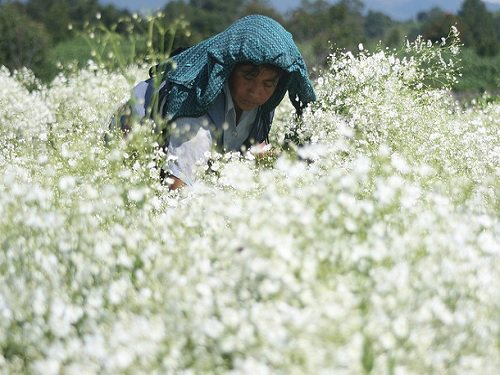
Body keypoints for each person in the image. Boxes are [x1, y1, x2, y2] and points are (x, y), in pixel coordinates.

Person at [113, 15, 316, 189]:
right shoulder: (194, 117)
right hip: (128, 132)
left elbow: (250, 145)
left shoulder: (262, 103)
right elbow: (176, 190)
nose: (256, 92)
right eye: (248, 77)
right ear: (228, 71)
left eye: (268, 84)